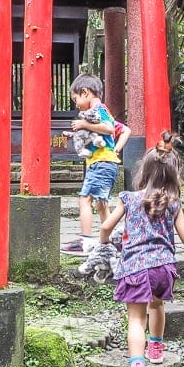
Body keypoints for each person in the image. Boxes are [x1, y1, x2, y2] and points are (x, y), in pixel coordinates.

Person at [96, 131, 184, 367]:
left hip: (134, 267)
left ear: (143, 172)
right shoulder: (174, 204)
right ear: (173, 176)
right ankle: (156, 347)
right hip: (163, 269)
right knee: (156, 306)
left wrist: (105, 243)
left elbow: (106, 227)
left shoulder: (130, 199)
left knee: (135, 319)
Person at [61, 74, 125, 255]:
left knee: (85, 199)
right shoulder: (102, 110)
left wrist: (83, 124)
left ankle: (86, 241)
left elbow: (109, 128)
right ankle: (113, 240)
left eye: (76, 99)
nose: (76, 105)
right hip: (105, 162)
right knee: (101, 203)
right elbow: (122, 130)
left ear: (85, 92)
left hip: (102, 162)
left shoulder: (99, 109)